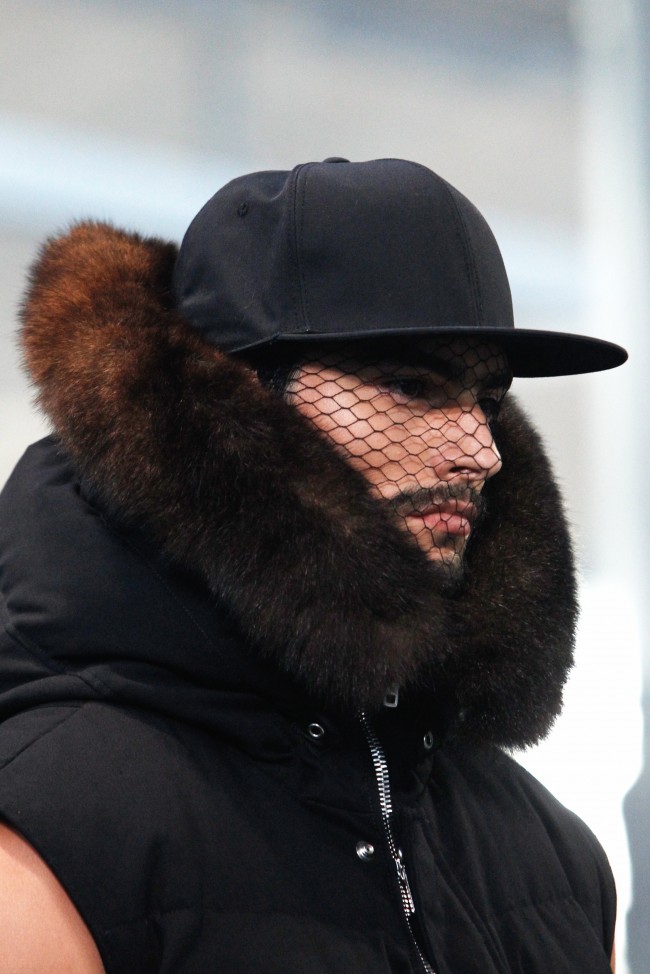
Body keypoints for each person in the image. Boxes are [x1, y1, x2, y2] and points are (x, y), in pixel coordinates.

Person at [0, 157, 626, 973]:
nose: (480, 451)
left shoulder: (558, 862)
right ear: (231, 410)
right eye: (409, 386)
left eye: (487, 399)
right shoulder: (50, 834)